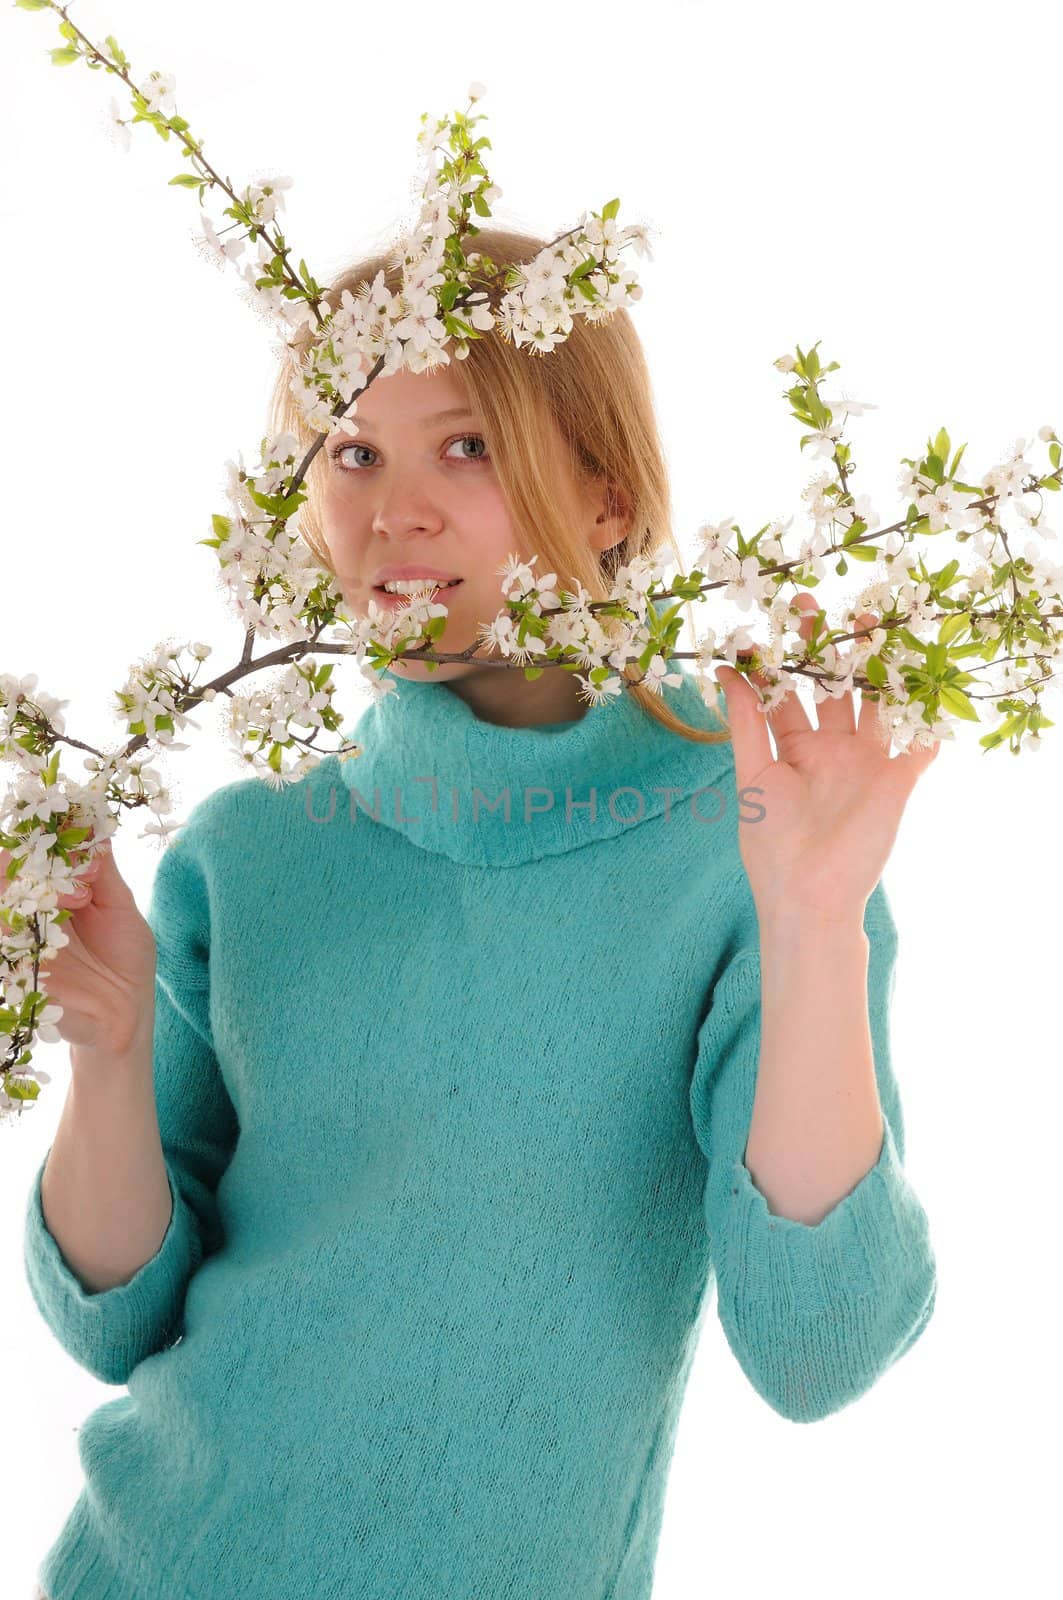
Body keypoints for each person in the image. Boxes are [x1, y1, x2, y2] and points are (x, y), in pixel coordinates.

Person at [24, 227, 936, 1600]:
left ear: (611, 496)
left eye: (465, 447)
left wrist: (814, 926)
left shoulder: (750, 845)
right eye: (349, 451)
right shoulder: (253, 848)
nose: (394, 510)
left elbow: (818, 1349)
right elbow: (118, 1324)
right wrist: (102, 1054)